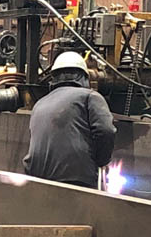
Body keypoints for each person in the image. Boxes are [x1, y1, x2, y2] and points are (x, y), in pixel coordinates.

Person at [24, 51, 116, 188]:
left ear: (53, 78)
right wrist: (102, 161)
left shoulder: (39, 104)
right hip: (75, 181)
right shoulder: (90, 97)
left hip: (36, 181)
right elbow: (106, 131)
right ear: (84, 77)